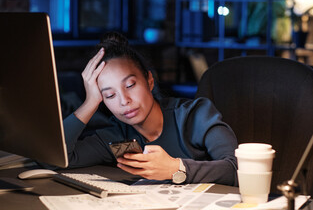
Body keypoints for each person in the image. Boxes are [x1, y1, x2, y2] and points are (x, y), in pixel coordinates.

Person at [63, 32, 238, 186]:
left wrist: (176, 168)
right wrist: (89, 103)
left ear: (149, 80)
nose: (124, 101)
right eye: (109, 95)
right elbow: (57, 159)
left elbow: (237, 169)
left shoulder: (196, 116)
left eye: (130, 85)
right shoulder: (117, 137)